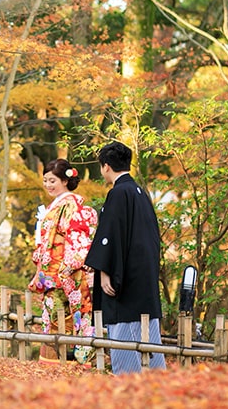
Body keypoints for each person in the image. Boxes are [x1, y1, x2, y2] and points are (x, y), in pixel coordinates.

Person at [84, 141, 166, 374]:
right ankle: (158, 382)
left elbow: (111, 235)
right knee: (148, 335)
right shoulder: (139, 193)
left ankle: (130, 385)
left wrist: (105, 272)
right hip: (143, 278)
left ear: (106, 167)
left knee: (127, 336)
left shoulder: (119, 193)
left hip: (126, 284)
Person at [30, 158, 98, 362]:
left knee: (67, 315)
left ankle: (70, 363)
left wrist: (69, 265)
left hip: (65, 270)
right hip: (54, 269)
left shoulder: (71, 204)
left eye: (53, 181)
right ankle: (56, 364)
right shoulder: (58, 205)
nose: (48, 185)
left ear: (65, 181)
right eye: (46, 181)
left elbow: (77, 237)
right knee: (57, 317)